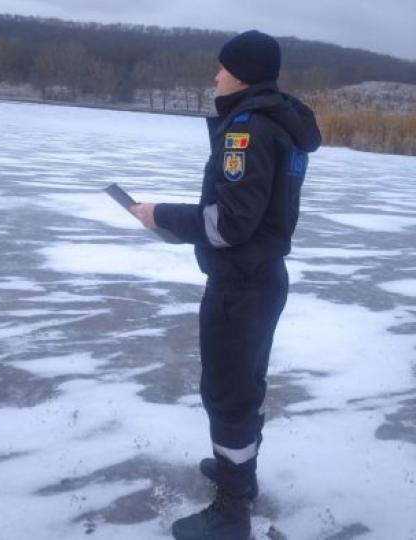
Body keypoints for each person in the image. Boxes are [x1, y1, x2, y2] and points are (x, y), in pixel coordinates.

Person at [129, 30, 321, 540]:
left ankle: (232, 510)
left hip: (241, 285)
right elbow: (250, 219)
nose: (215, 75)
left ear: (244, 73)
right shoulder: (278, 124)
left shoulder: (250, 130)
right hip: (259, 279)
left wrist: (160, 215)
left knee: (228, 395)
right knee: (242, 387)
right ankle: (240, 475)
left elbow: (231, 224)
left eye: (221, 67)